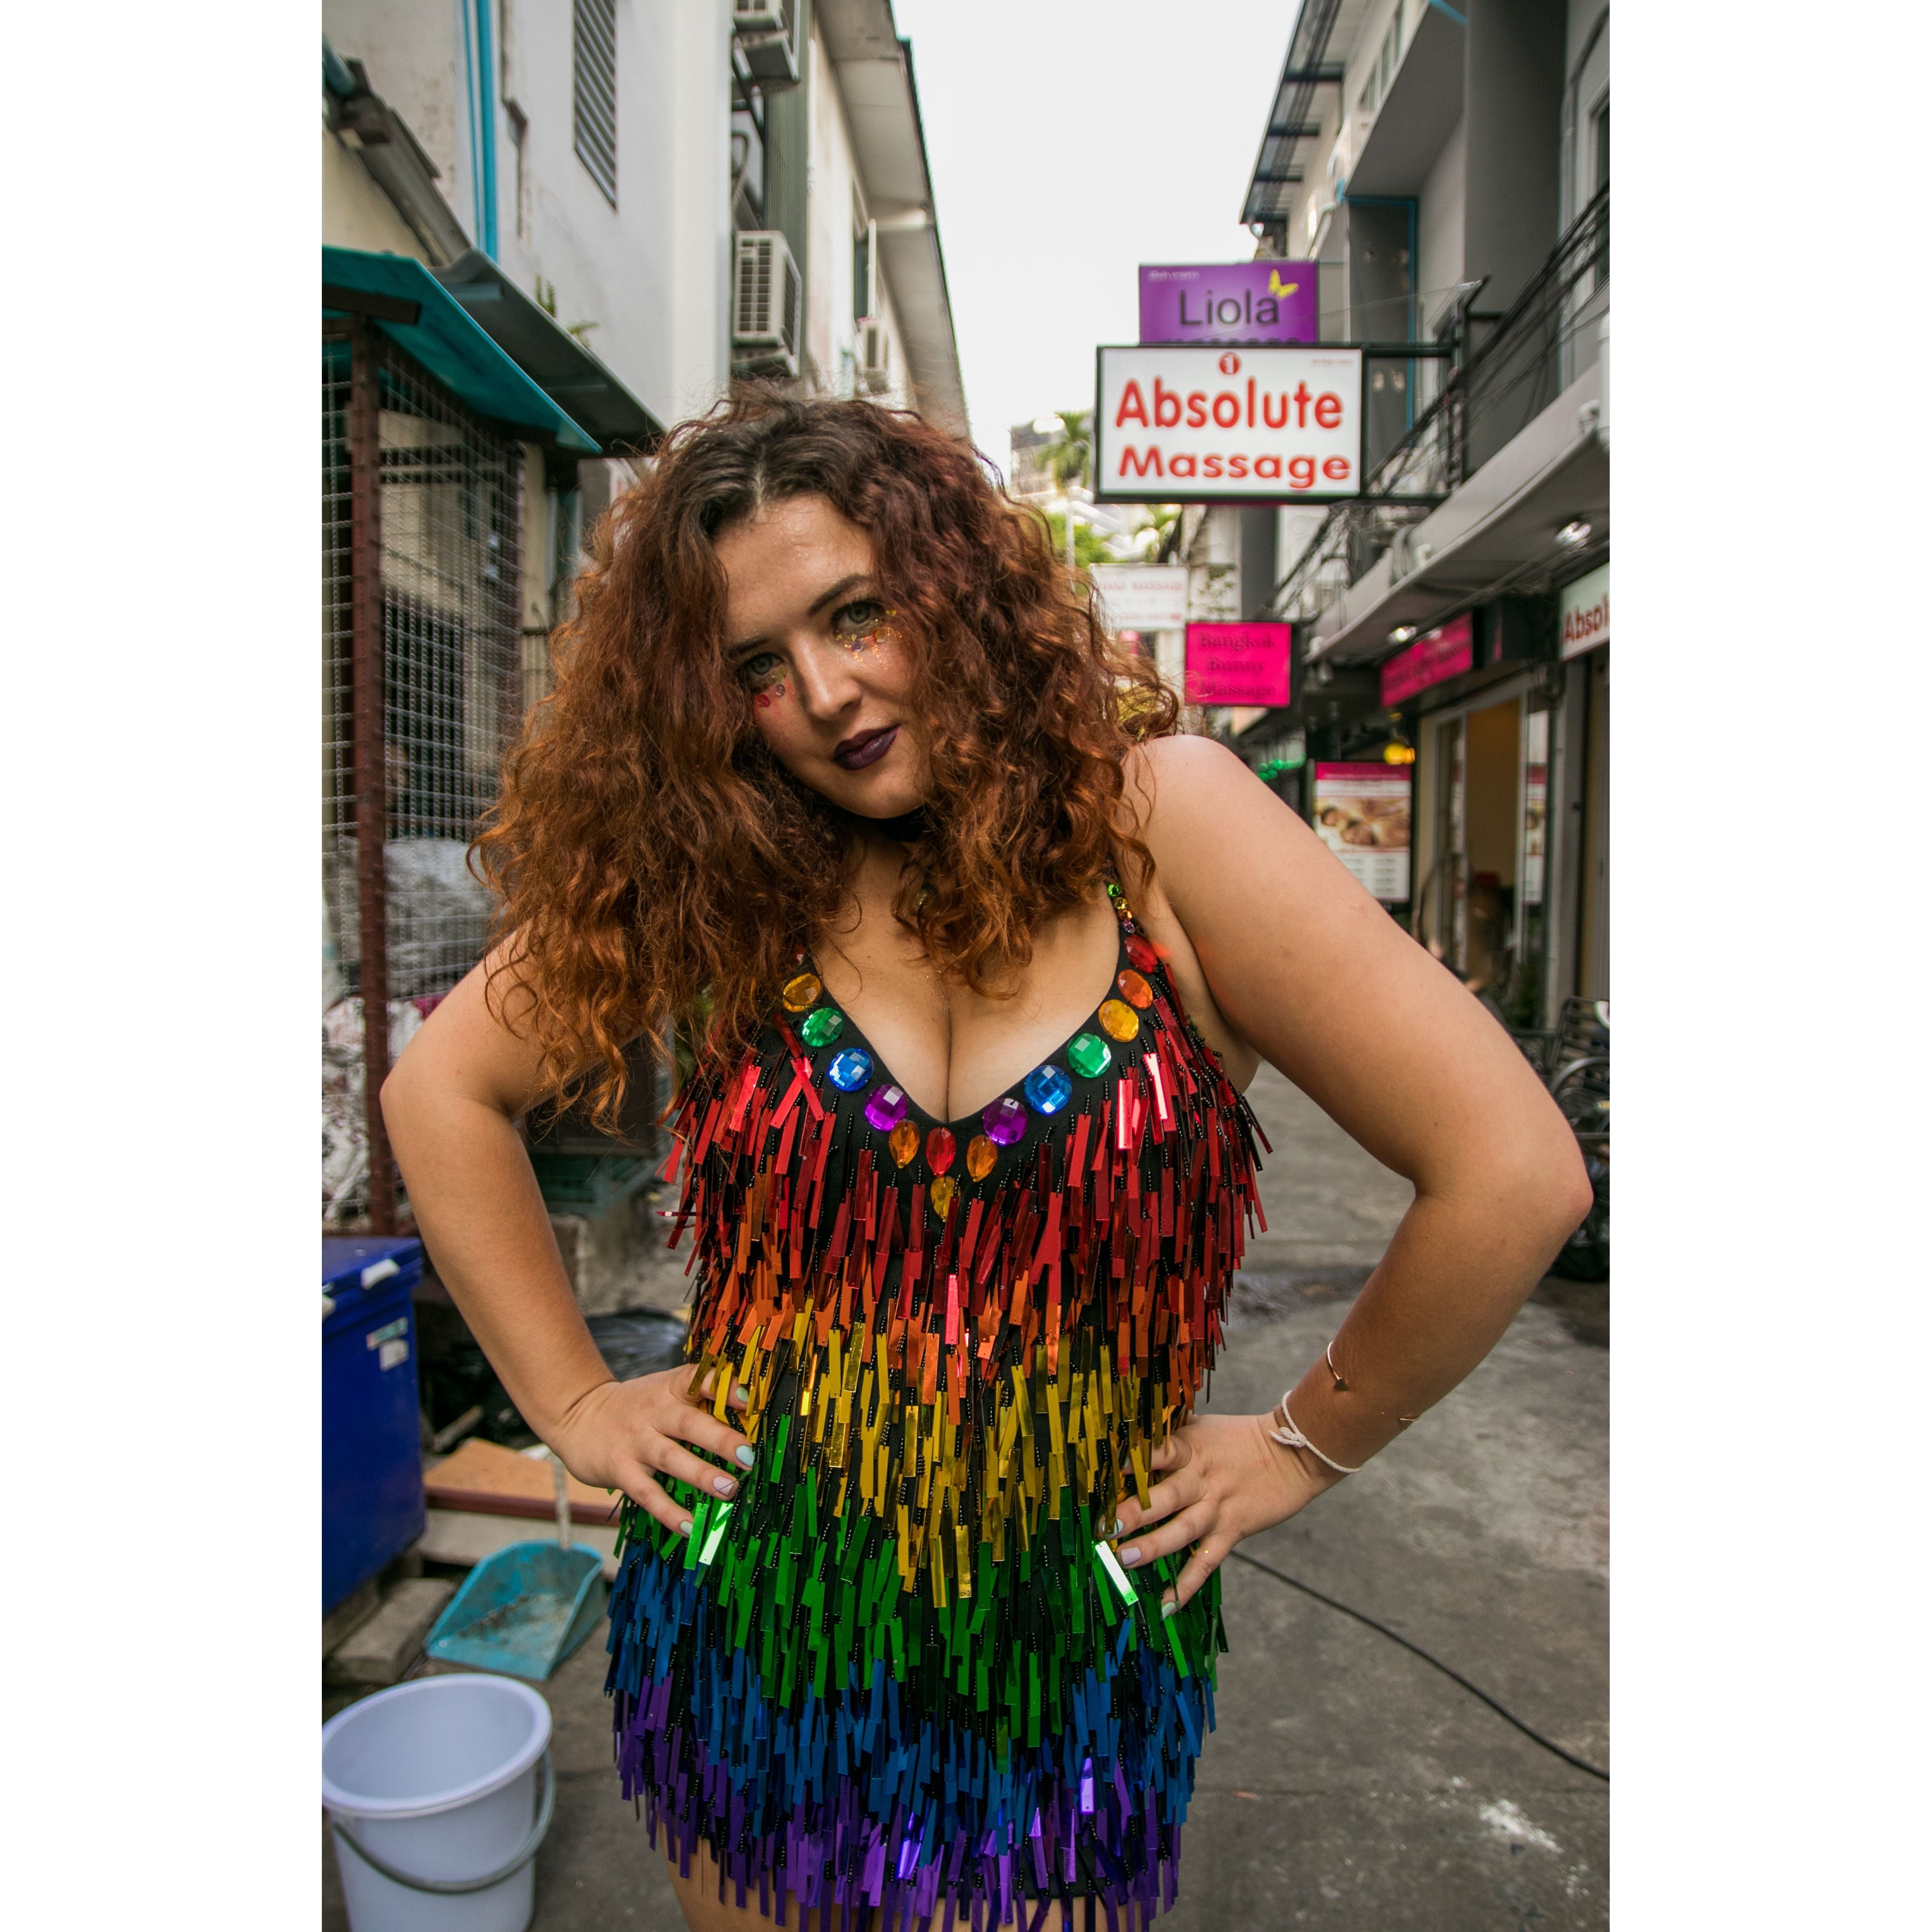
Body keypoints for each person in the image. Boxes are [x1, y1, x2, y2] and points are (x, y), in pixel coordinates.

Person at [381, 394, 1591, 1931]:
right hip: (766, 1613)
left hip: (1066, 1644)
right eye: (759, 665)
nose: (824, 691)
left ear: (950, 590)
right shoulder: (726, 881)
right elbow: (443, 1092)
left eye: (857, 613)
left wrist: (1298, 1445)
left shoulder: (1162, 826)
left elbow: (1512, 1169)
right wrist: (568, 1400)